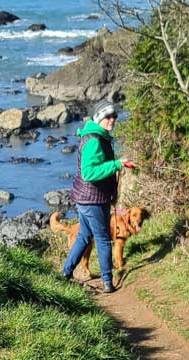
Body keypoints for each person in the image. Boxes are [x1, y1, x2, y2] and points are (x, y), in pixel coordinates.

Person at [62, 99, 130, 293]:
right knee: (102, 238)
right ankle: (107, 282)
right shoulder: (93, 140)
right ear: (99, 117)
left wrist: (118, 166)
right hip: (93, 199)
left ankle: (66, 273)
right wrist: (116, 164)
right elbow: (88, 173)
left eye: (114, 116)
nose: (112, 120)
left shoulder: (98, 136)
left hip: (85, 197)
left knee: (84, 235)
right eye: (108, 116)